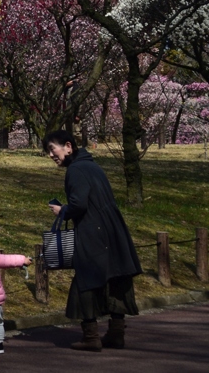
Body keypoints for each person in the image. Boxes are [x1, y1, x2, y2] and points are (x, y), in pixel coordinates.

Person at [43, 130, 141, 351]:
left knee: (85, 281)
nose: (51, 155)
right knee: (116, 279)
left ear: (68, 146)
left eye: (52, 149)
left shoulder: (76, 170)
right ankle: (116, 334)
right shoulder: (93, 166)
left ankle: (91, 337)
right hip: (113, 230)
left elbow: (79, 205)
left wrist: (62, 210)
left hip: (93, 232)